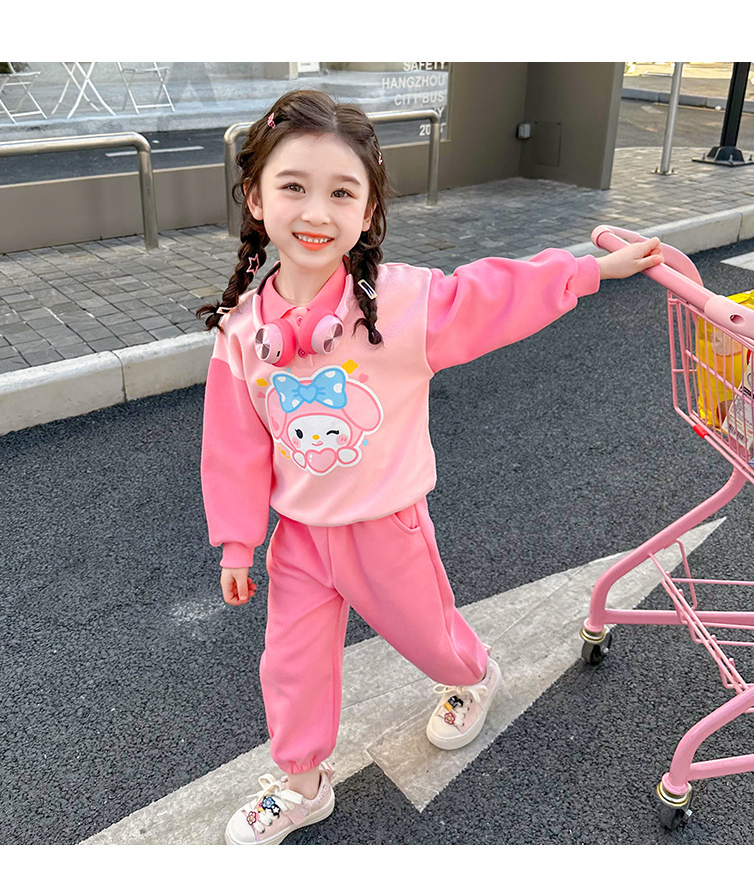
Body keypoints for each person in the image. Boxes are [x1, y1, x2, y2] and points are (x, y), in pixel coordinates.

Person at [198, 89, 663, 846]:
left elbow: (491, 294)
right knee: (290, 665)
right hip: (300, 539)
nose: (316, 211)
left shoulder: (400, 306)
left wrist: (588, 270)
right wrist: (237, 541)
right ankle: (302, 783)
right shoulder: (242, 332)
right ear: (255, 198)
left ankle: (473, 676)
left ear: (368, 211)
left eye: (342, 192)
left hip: (388, 527)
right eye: (293, 186)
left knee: (429, 637)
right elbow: (234, 444)